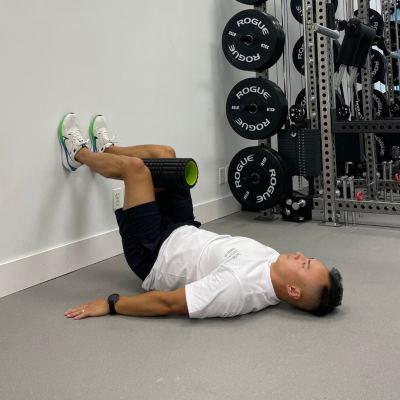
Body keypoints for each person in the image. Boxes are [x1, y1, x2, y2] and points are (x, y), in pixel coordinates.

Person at [59, 113, 343, 321]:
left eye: (304, 264)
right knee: (166, 155)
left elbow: (167, 304)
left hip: (153, 254)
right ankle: (109, 151)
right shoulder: (274, 262)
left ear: (293, 291)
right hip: (183, 230)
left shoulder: (237, 289)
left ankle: (78, 155)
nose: (299, 254)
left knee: (136, 170)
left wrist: (111, 304)